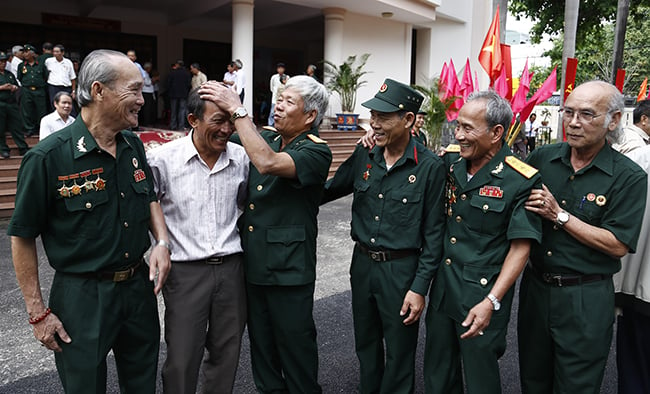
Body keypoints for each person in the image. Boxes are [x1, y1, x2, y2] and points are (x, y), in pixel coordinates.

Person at [8, 49, 172, 393]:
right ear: (98, 91)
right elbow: (22, 235)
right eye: (133, 90)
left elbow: (150, 196)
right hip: (82, 296)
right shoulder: (47, 157)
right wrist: (38, 313)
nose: (142, 100)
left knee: (143, 384)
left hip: (137, 290)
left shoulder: (132, 145)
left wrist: (161, 243)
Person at [199, 75, 332, 394]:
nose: (279, 107)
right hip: (254, 264)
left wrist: (238, 110)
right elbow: (225, 140)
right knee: (263, 354)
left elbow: (267, 163)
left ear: (310, 115)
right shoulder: (269, 139)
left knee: (295, 352)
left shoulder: (316, 152)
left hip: (289, 271)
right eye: (279, 100)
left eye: (288, 102)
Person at [519, 81, 647, 394]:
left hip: (584, 297)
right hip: (536, 290)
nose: (574, 122)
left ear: (613, 120)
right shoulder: (543, 158)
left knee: (576, 386)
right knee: (532, 381)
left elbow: (617, 244)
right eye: (569, 112)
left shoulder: (628, 176)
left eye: (587, 114)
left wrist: (559, 216)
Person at [324, 78, 446, 393]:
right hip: (362, 265)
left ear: (407, 120)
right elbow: (330, 189)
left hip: (401, 271)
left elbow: (434, 235)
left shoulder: (430, 167)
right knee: (366, 344)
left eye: (383, 117)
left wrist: (419, 288)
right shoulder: (365, 154)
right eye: (373, 115)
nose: (374, 123)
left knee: (400, 351)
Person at [424, 91, 542, 394]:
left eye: (467, 128)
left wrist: (492, 300)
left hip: (481, 293)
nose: (459, 135)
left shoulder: (521, 178)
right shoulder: (453, 159)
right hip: (444, 289)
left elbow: (521, 246)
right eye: (458, 127)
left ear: (496, 133)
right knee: (437, 373)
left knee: (480, 378)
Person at [148, 87, 249, 394]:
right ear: (193, 119)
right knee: (182, 357)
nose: (227, 129)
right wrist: (160, 244)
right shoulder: (163, 160)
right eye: (218, 121)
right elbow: (148, 204)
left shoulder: (242, 157)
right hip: (185, 272)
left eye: (231, 120)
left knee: (226, 354)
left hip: (232, 269)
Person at [0, 51, 29, 159]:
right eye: (0, 62)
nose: (2, 64)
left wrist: (13, 87)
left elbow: (17, 85)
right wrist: (3, 87)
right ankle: (3, 149)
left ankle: (23, 147)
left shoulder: (9, 74)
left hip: (11, 103)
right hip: (1, 103)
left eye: (4, 61)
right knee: (1, 128)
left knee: (16, 126)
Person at [17, 44, 48, 137]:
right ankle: (29, 129)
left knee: (41, 110)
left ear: (33, 54)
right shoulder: (21, 65)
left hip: (39, 90)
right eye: (24, 52)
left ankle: (41, 128)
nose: (25, 54)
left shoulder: (41, 65)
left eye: (27, 52)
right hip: (27, 90)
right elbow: (20, 77)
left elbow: (45, 76)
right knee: (27, 110)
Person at [44, 45, 76, 111]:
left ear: (62, 53)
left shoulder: (68, 62)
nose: (55, 53)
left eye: (57, 51)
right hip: (53, 87)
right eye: (54, 51)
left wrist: (73, 91)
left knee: (67, 105)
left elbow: (73, 78)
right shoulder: (48, 61)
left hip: (66, 87)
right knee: (54, 105)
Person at [167, 60, 191, 130]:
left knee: (173, 110)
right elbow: (189, 84)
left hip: (173, 93)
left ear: (177, 65)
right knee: (182, 110)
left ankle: (173, 125)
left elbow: (168, 83)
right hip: (183, 94)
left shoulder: (172, 73)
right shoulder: (187, 73)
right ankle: (181, 126)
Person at [268, 62, 289, 127]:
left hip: (284, 99)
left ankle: (281, 126)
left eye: (282, 68)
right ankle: (271, 126)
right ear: (277, 69)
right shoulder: (274, 77)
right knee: (272, 113)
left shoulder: (287, 77)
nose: (280, 70)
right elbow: (271, 88)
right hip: (275, 99)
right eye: (279, 68)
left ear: (284, 69)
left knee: (284, 113)